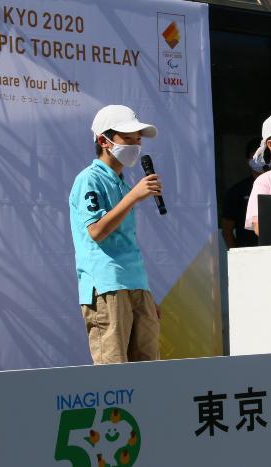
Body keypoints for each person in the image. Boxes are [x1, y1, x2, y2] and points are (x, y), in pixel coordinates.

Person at [69, 104, 162, 364]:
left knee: (148, 368)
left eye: (138, 139)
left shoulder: (121, 182)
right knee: (114, 374)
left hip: (135, 283)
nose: (135, 145)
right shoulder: (89, 179)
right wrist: (133, 197)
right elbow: (96, 231)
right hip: (106, 284)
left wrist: (144, 291)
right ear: (104, 141)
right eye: (128, 138)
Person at [221, 138, 264, 248]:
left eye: (264, 155)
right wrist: (237, 257)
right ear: (248, 160)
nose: (260, 160)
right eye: (255, 156)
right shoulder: (237, 191)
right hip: (248, 255)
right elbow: (227, 231)